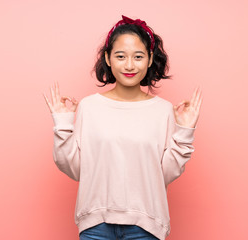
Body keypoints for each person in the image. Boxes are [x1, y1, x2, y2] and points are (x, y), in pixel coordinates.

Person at [43, 15, 203, 240]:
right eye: (120, 56)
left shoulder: (164, 111)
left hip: (146, 226)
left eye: (138, 56)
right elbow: (76, 169)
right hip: (95, 225)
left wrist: (184, 132)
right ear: (108, 58)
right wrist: (63, 125)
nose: (129, 65)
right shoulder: (89, 107)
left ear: (149, 60)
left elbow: (163, 174)